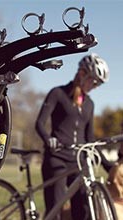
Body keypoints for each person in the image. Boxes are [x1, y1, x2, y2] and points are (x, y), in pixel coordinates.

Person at [35, 53, 109, 220]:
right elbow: (39, 124)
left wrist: (106, 164)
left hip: (78, 162)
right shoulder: (58, 94)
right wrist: (49, 140)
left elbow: (90, 139)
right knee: (56, 209)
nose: (95, 86)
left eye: (99, 84)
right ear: (82, 74)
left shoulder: (90, 104)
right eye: (94, 81)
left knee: (84, 210)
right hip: (57, 158)